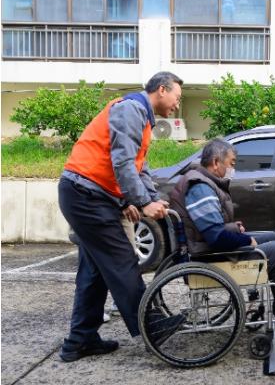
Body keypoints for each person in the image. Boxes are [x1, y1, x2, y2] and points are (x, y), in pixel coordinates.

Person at [58, 71, 183, 362]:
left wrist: (150, 198)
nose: (178, 105)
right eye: (177, 98)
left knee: (94, 272)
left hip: (87, 195)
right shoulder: (131, 109)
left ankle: (80, 340)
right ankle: (151, 326)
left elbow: (139, 167)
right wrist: (142, 202)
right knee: (122, 261)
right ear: (161, 90)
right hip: (85, 195)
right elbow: (122, 162)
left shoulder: (143, 119)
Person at [169, 139, 275, 333]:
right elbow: (216, 238)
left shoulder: (203, 181)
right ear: (216, 162)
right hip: (208, 255)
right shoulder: (200, 187)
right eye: (232, 163)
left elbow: (209, 227)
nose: (233, 169)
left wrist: (232, 227)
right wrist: (245, 240)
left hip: (207, 247)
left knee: (274, 237)